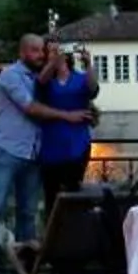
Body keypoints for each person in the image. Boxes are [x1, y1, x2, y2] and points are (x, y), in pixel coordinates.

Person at [0, 32, 54, 270]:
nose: (40, 55)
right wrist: (67, 116)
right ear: (23, 52)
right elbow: (30, 108)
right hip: (7, 149)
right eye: (35, 51)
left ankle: (25, 266)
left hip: (32, 152)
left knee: (28, 212)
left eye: (42, 51)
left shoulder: (43, 78)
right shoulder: (10, 75)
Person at [34, 41, 99, 203]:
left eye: (58, 51)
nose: (56, 54)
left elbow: (92, 88)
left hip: (77, 143)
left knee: (73, 192)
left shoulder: (80, 78)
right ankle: (52, 227)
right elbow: (40, 82)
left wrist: (88, 64)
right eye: (50, 51)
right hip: (52, 144)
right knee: (52, 194)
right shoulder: (47, 81)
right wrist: (52, 63)